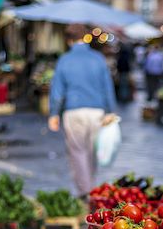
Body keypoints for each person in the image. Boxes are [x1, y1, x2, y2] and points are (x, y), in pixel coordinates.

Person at [48, 24, 117, 197]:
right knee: (93, 151)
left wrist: (54, 113)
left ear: (69, 40)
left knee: (78, 152)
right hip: (97, 112)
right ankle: (92, 187)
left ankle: (85, 190)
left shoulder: (64, 59)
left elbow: (57, 91)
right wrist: (111, 111)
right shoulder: (98, 58)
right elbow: (107, 87)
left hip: (74, 111)